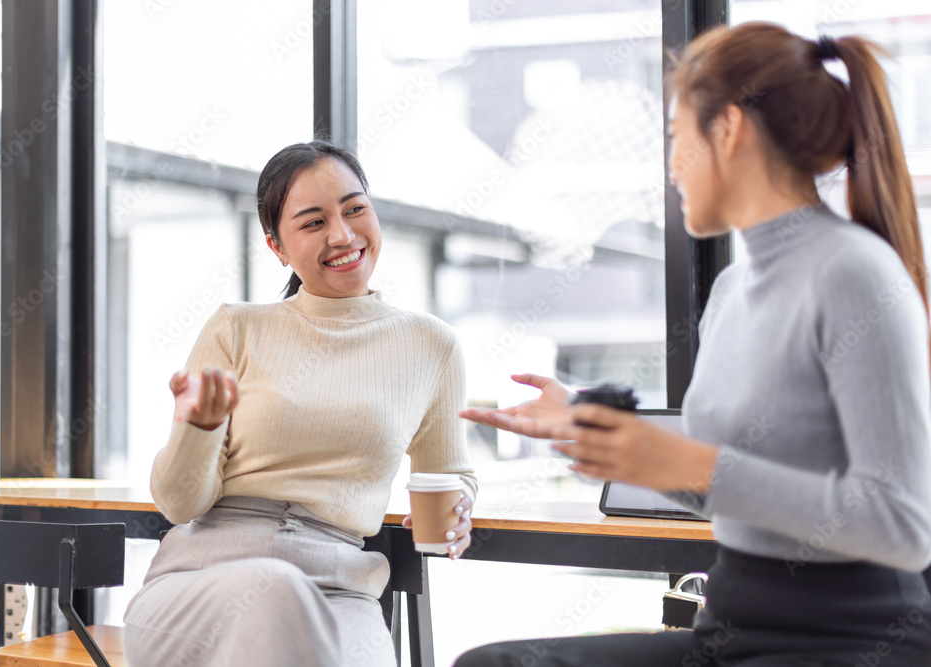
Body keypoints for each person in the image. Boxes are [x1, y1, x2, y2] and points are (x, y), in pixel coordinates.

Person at [455, 22, 931, 666]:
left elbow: (904, 527)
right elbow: (720, 488)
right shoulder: (734, 289)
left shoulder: (853, 273)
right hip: (732, 626)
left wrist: (693, 464)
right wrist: (595, 429)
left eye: (676, 138)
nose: (669, 169)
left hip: (851, 640)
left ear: (728, 129)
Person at [122, 141, 477, 667]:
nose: (342, 234)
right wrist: (196, 430)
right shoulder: (237, 328)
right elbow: (179, 506)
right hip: (199, 583)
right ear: (277, 247)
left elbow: (449, 474)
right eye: (313, 223)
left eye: (355, 208)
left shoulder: (433, 346)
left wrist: (460, 511)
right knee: (274, 588)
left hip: (340, 592)